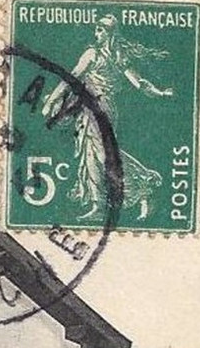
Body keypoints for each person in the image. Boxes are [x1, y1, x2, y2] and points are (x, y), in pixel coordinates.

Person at [41, 14, 175, 222]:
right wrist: (53, 100)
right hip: (90, 108)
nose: (97, 33)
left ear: (110, 33)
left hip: (102, 108)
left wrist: (159, 93)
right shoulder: (97, 53)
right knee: (91, 154)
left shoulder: (104, 55)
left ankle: (143, 186)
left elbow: (138, 82)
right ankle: (98, 204)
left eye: (101, 30)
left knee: (103, 155)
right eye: (96, 29)